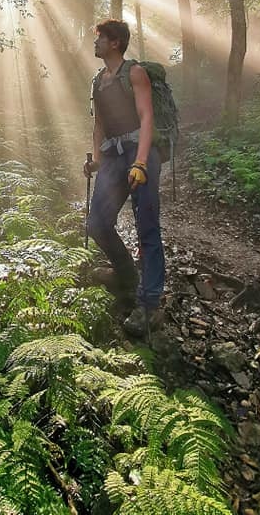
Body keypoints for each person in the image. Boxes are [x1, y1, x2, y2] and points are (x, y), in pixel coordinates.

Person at [83, 18, 165, 336]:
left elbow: (146, 118)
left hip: (138, 151)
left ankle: (149, 304)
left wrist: (142, 162)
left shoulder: (135, 73)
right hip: (113, 155)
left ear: (115, 42)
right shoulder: (97, 81)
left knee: (146, 226)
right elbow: (99, 126)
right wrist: (97, 162)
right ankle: (127, 276)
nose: (96, 42)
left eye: (100, 37)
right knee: (97, 224)